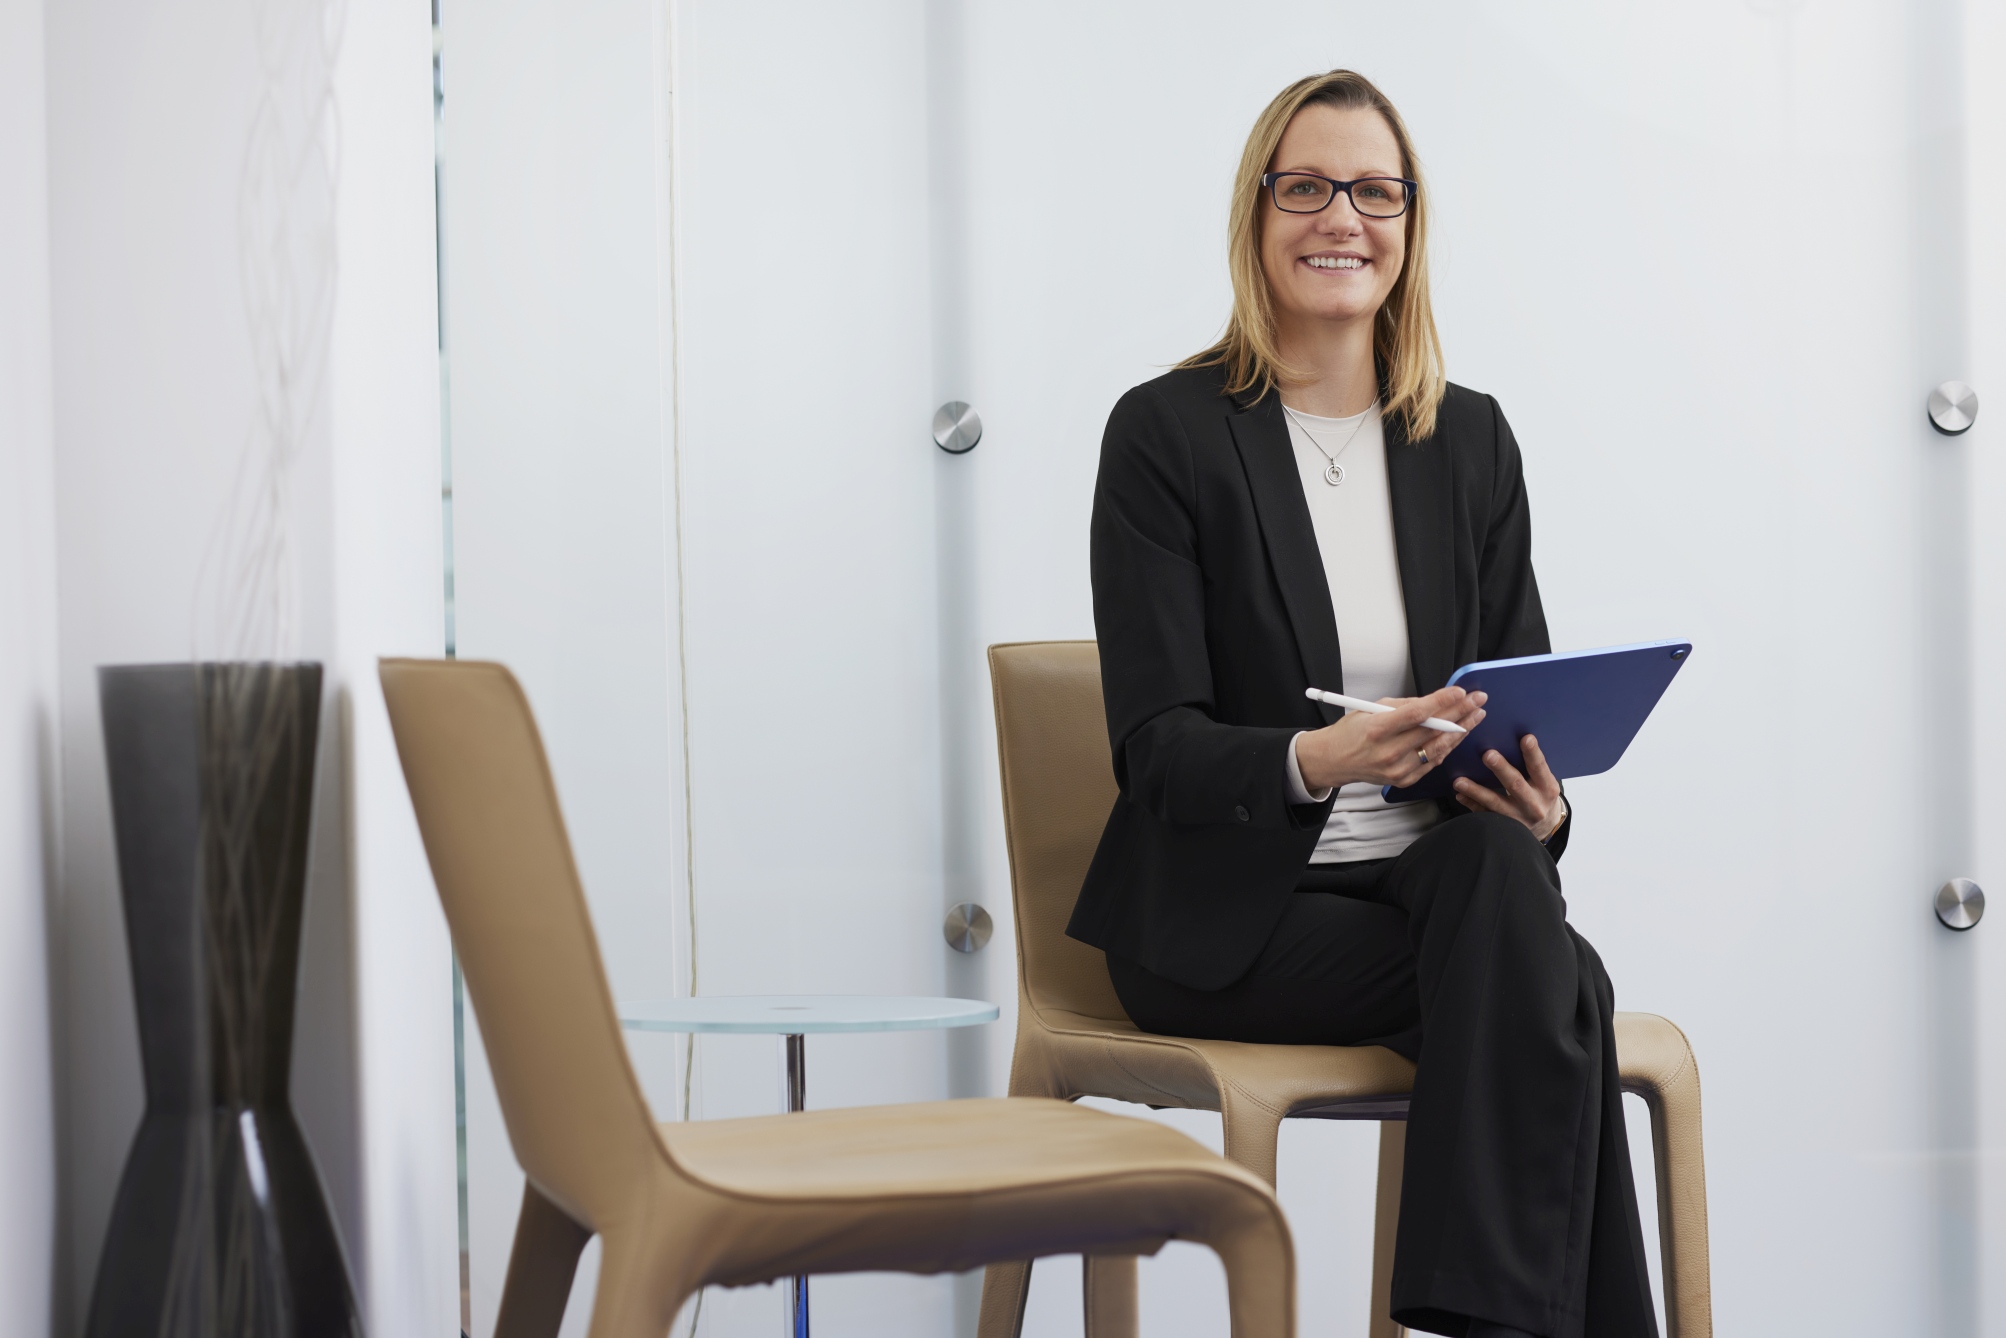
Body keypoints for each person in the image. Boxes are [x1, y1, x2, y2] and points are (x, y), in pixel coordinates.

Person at [1067, 69, 1657, 1338]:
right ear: (1256, 213)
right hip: (1228, 923)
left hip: (1432, 885)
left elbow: (1516, 698)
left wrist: (1540, 805)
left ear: (1408, 222)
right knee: (1560, 986)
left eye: (1373, 191)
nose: (1341, 217)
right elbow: (1156, 751)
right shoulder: (1166, 435)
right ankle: (1505, 1319)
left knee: (1506, 880)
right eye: (1306, 187)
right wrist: (1319, 758)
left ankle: (1483, 1311)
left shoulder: (1470, 440)